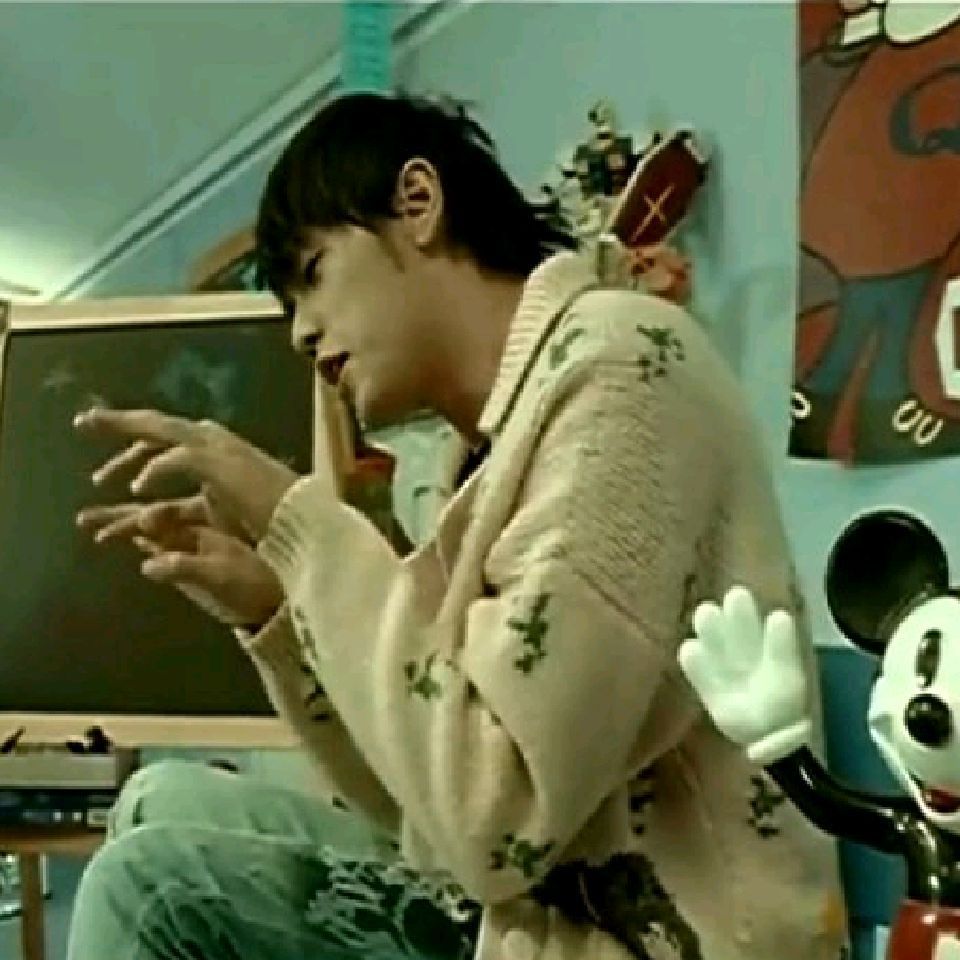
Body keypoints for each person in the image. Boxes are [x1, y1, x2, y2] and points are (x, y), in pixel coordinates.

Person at [67, 92, 844, 960]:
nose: (300, 333)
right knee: (159, 797)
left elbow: (494, 822)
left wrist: (303, 527)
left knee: (149, 886)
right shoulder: (480, 456)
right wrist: (276, 613)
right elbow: (424, 806)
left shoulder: (623, 368)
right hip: (531, 905)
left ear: (418, 202)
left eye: (312, 272)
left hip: (657, 938)